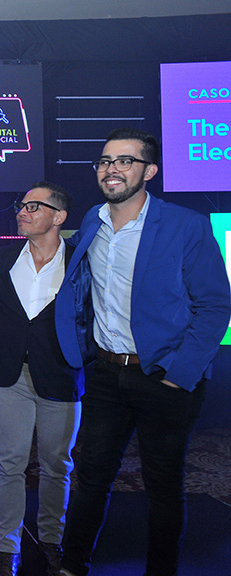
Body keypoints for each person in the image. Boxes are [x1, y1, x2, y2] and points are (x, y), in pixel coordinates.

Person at [54, 128, 231, 576]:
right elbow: (69, 268)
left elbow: (214, 305)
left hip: (165, 377)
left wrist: (180, 374)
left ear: (149, 171)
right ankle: (72, 565)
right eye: (105, 161)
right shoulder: (93, 221)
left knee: (163, 487)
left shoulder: (185, 225)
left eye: (125, 161)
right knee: (90, 477)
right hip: (105, 376)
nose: (111, 169)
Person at [0, 182, 83, 576]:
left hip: (62, 377)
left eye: (35, 206)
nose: (22, 211)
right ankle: (8, 549)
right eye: (22, 205)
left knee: (57, 466)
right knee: (9, 465)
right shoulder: (2, 259)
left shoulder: (80, 260)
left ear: (59, 216)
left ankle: (51, 542)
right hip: (10, 377)